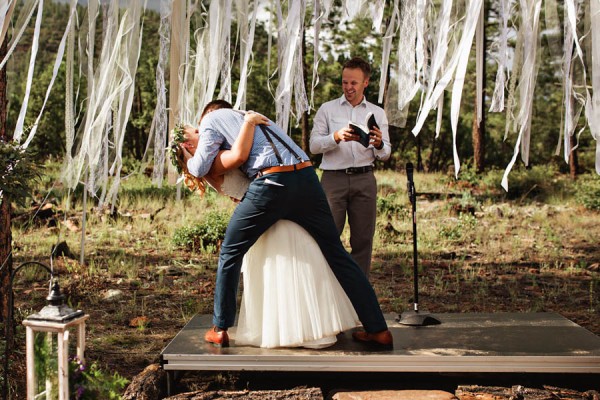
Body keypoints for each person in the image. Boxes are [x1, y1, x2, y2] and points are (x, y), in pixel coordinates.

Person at [179, 103, 393, 348]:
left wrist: (188, 157)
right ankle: (378, 329)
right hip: (306, 177)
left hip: (272, 183)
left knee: (230, 251)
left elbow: (200, 166)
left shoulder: (210, 120)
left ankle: (219, 327)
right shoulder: (251, 116)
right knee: (337, 254)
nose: (199, 131)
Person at [310, 57, 391, 277]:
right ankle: (327, 288)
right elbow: (314, 146)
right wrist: (335, 137)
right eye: (345, 82)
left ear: (366, 82)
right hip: (332, 181)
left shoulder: (378, 113)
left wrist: (379, 143)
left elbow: (386, 154)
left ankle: (358, 293)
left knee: (363, 240)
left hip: (364, 179)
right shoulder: (327, 109)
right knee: (327, 236)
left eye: (353, 83)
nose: (348, 87)